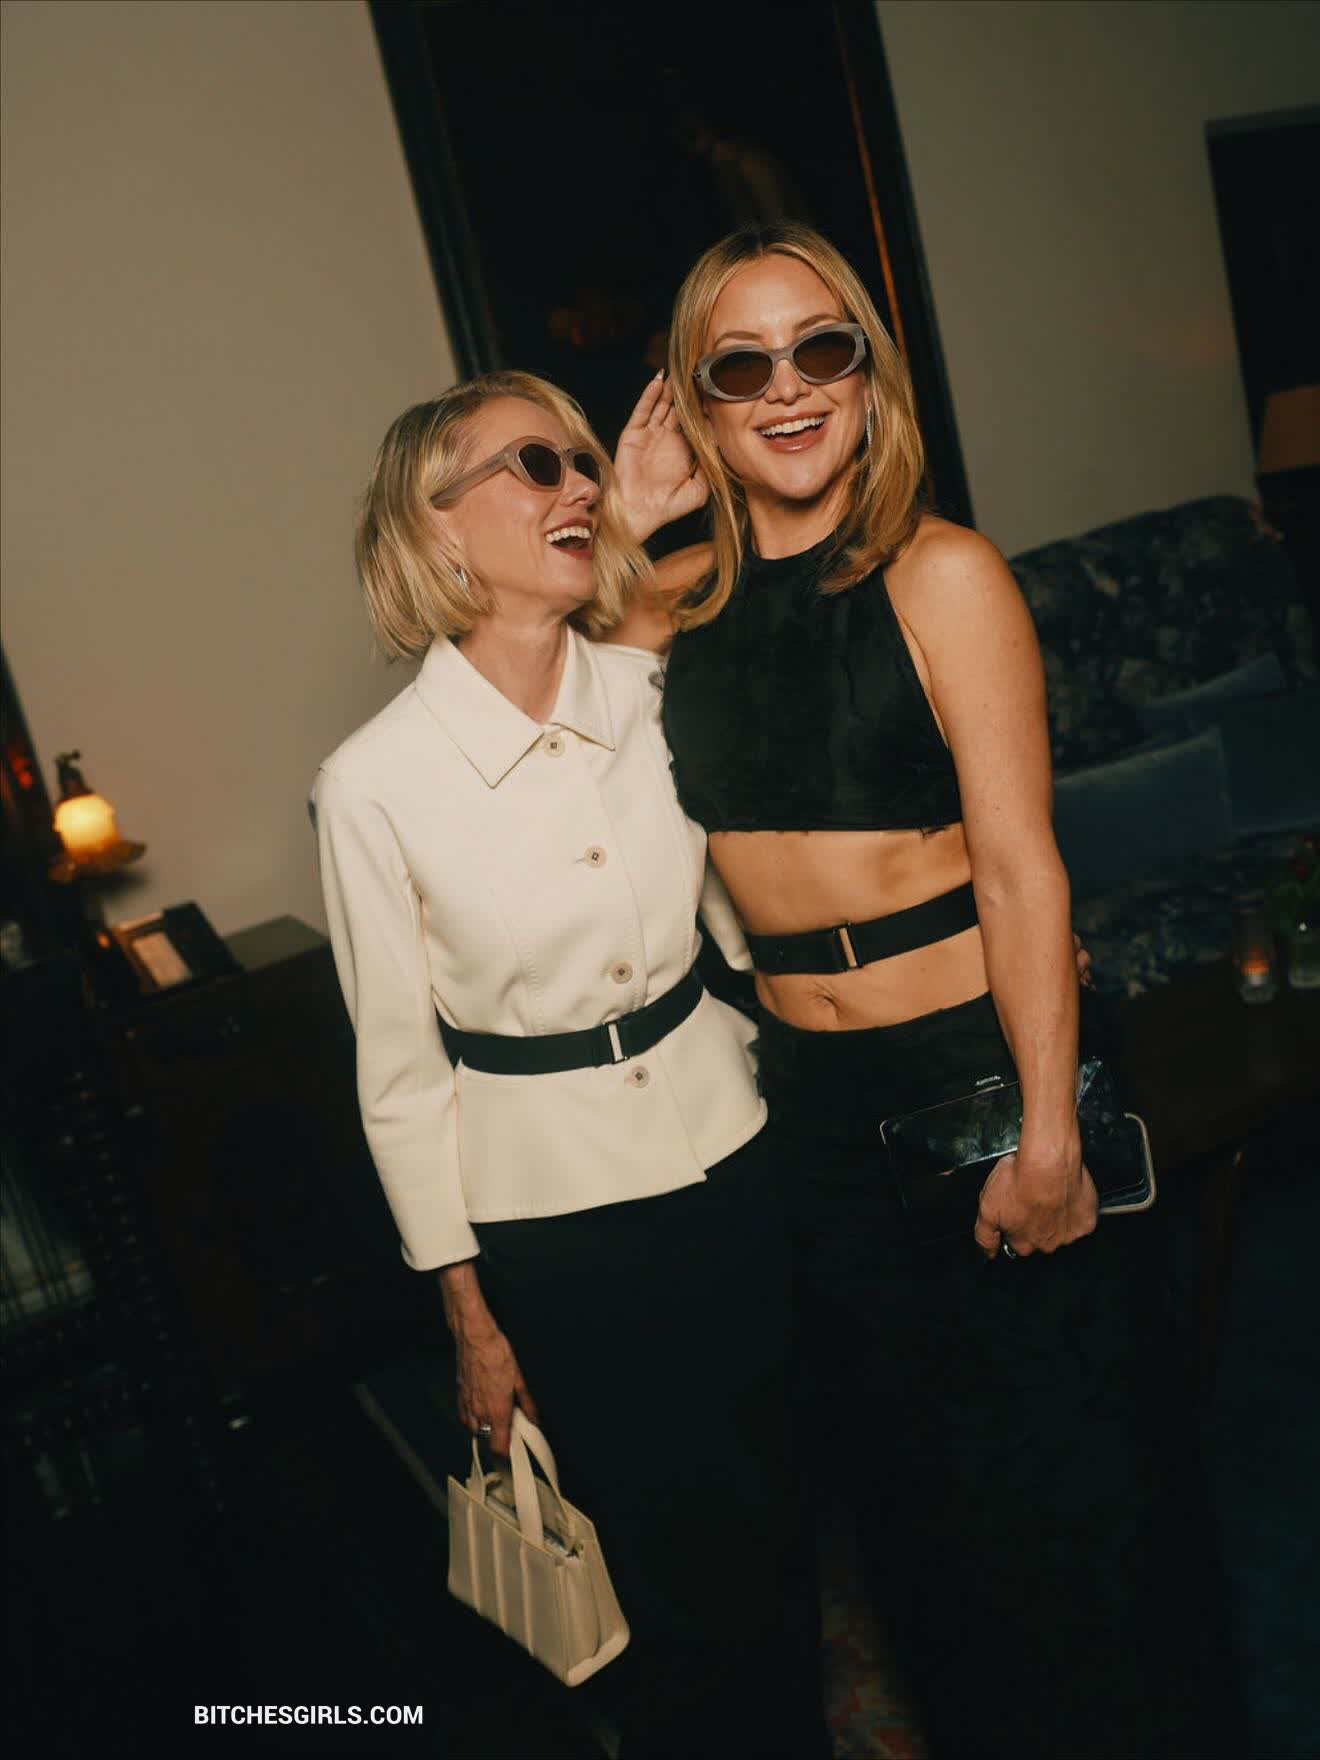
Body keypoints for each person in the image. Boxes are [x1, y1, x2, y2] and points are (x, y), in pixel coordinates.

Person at [610, 223, 1230, 1760]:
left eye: (821, 348)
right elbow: (560, 683)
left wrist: (1050, 1134)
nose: (789, 388)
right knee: (914, 1495)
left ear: (867, 373)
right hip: (812, 1108)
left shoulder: (942, 575)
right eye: (739, 366)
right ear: (697, 401)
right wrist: (628, 515)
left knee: (1078, 1478)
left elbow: (1023, 870)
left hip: (980, 1069)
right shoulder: (672, 603)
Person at [310, 370, 827, 1759]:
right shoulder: (373, 785)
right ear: (437, 526)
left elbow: (747, 902)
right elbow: (398, 1074)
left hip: (734, 1153)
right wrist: (468, 1314)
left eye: (583, 461)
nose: (580, 485)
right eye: (534, 465)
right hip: (557, 1227)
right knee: (674, 1587)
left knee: (782, 1527)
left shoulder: (653, 689)